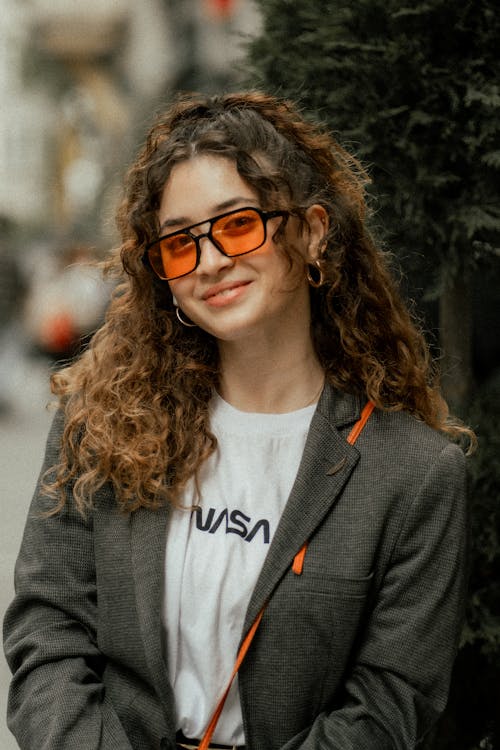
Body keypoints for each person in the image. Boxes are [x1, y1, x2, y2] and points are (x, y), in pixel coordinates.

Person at [3, 92, 474, 750]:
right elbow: (47, 637)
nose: (211, 261)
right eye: (179, 242)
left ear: (311, 230)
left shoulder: (415, 476)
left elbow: (391, 701)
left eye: (237, 225)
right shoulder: (100, 424)